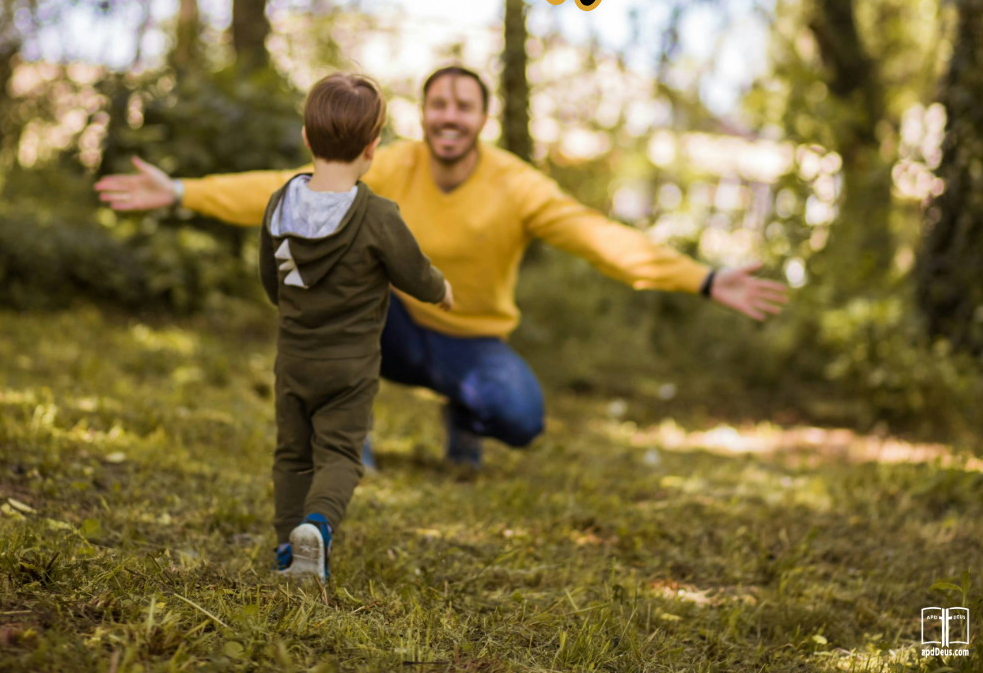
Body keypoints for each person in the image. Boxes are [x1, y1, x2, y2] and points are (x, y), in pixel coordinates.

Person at [95, 65, 788, 469]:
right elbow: (289, 185)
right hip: (389, 327)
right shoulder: (393, 163)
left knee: (521, 420)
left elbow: (601, 239)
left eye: (463, 104)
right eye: (437, 103)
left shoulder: (517, 185)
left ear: (482, 117)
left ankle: (465, 414)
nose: (448, 115)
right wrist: (183, 190)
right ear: (422, 115)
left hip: (470, 341)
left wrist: (701, 277)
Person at [259, 72, 453, 581]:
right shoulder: (378, 216)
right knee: (340, 453)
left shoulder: (279, 207)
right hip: (350, 369)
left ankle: (287, 549)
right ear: (374, 146)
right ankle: (318, 528)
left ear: (307, 137)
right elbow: (415, 273)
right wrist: (442, 291)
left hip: (295, 360)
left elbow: (271, 281)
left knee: (292, 455)